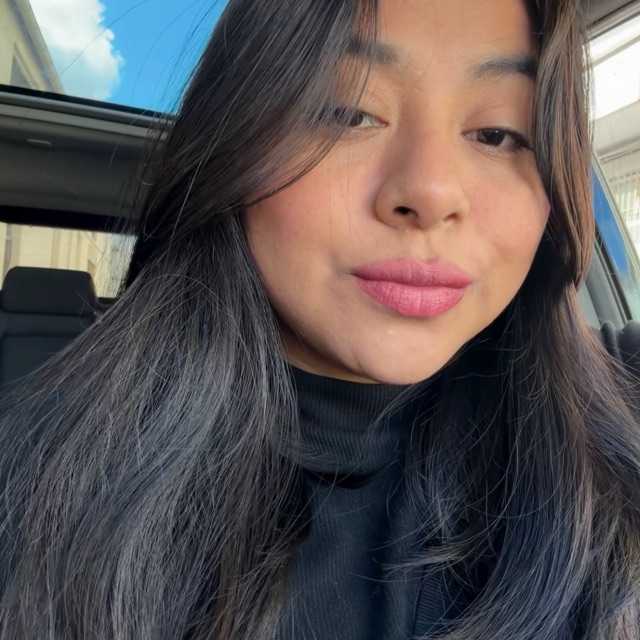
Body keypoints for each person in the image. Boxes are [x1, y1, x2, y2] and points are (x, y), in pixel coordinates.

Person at [0, 0, 639, 638]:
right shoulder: (31, 493)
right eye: (348, 113)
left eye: (498, 133)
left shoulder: (616, 437)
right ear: (235, 146)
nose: (431, 192)